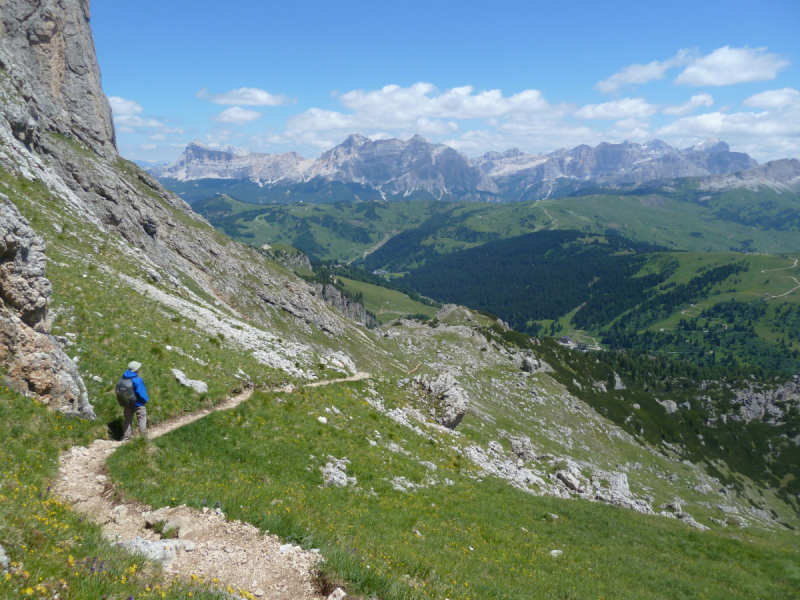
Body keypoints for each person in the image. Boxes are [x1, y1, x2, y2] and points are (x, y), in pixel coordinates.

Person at [120, 361, 149, 441]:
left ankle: (126, 438)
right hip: (138, 404)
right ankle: (144, 438)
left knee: (127, 419)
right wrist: (145, 400)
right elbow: (141, 393)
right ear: (136, 370)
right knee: (141, 419)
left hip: (127, 403)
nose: (139, 368)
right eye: (138, 367)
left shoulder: (123, 378)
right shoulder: (137, 380)